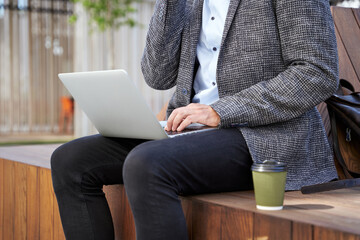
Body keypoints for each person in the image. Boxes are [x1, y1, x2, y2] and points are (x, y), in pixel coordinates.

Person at [51, 0, 339, 239]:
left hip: (263, 137)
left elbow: (316, 73)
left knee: (146, 163)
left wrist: (222, 111)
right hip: (187, 128)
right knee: (70, 160)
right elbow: (157, 76)